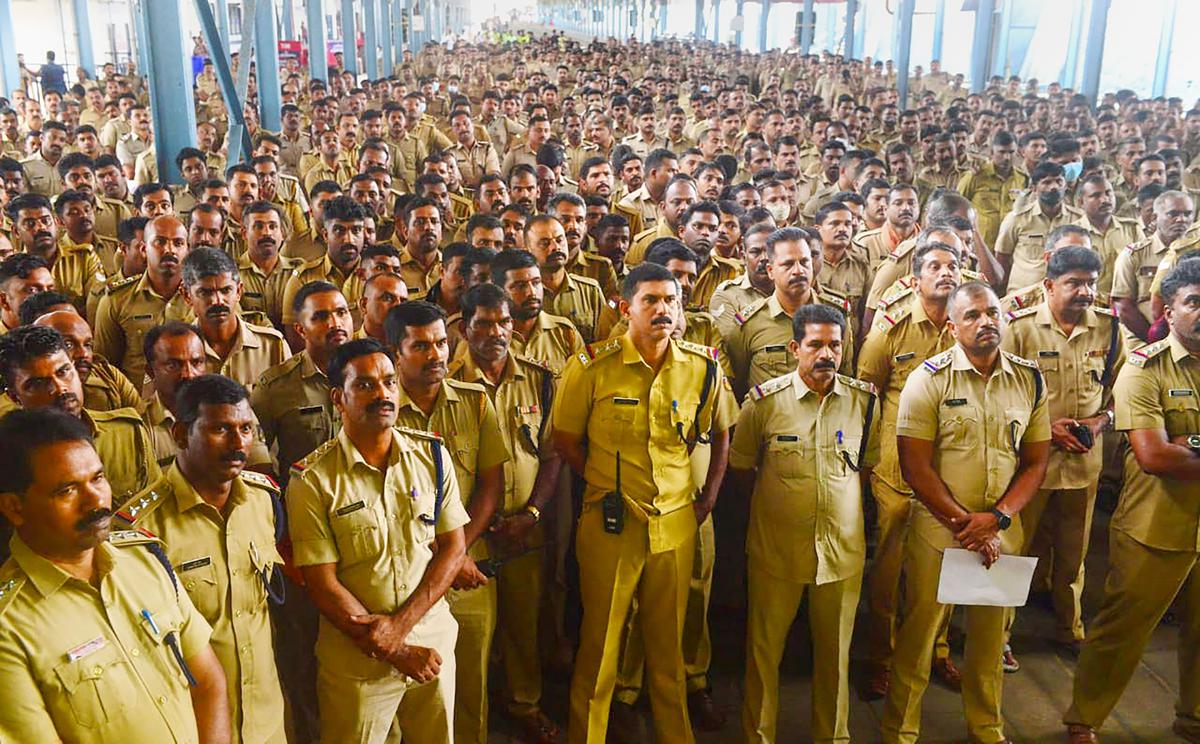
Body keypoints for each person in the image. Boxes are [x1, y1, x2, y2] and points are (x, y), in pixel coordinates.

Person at [552, 262, 731, 743]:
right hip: (612, 526)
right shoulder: (591, 365)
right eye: (649, 300)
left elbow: (717, 432)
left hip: (675, 526)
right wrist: (606, 483)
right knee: (601, 648)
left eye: (670, 300)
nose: (662, 309)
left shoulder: (702, 366)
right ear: (625, 307)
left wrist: (704, 498)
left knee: (668, 652)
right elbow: (566, 441)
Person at [881, 282, 1050, 744]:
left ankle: (987, 728)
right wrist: (965, 522)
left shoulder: (1029, 378)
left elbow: (1036, 460)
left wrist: (996, 519)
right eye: (972, 316)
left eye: (992, 313)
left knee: (991, 640)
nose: (985, 322)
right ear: (953, 327)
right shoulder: (929, 379)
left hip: (1000, 530)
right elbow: (914, 465)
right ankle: (900, 731)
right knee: (919, 637)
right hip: (941, 531)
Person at [0, 407, 231, 742]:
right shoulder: (9, 627)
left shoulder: (146, 560)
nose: (95, 500)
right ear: (15, 508)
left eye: (97, 478)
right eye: (66, 490)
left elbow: (207, 682)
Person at [285, 337, 469, 743]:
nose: (382, 394)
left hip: (431, 647)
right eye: (365, 385)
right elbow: (322, 584)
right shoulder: (312, 481)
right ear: (339, 397)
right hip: (358, 664)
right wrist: (396, 651)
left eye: (388, 382)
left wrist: (401, 630)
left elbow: (453, 548)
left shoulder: (433, 457)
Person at [729, 303, 880, 742]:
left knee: (835, 660)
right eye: (815, 344)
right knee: (763, 656)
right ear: (796, 348)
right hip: (776, 552)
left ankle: (833, 738)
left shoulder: (864, 403)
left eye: (835, 344)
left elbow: (864, 470)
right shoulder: (763, 403)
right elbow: (742, 472)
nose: (826, 354)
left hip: (840, 555)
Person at [1064, 259, 1200, 743]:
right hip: (1154, 527)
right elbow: (1155, 455)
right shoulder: (1144, 369)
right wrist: (1178, 447)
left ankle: (1193, 718)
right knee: (1121, 632)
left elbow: (1177, 449)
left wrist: (1190, 444)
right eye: (1193, 302)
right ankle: (1084, 719)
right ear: (1168, 308)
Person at [116, 374, 287, 744]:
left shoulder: (264, 501)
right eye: (220, 429)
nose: (238, 443)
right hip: (194, 725)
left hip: (266, 718)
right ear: (180, 435)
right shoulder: (139, 532)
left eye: (246, 428)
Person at [447, 282, 565, 743]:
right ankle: (464, 719)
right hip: (465, 537)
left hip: (523, 527)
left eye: (504, 322)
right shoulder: (448, 380)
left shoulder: (538, 377)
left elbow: (552, 453)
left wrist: (533, 513)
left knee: (523, 625)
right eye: (484, 323)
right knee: (469, 637)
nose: (496, 332)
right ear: (464, 327)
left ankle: (524, 704)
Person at [1001, 246, 1123, 660]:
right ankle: (999, 636)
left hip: (1083, 464)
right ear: (1049, 286)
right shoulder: (1019, 329)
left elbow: (1123, 391)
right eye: (1073, 283)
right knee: (1015, 549)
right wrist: (1043, 430)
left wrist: (1099, 422)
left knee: (1074, 553)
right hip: (1031, 463)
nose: (1084, 292)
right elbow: (1000, 393)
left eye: (1090, 283)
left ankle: (1069, 628)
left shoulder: (1109, 329)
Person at [855, 240, 965, 698]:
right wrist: (862, 464)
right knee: (890, 568)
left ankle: (936, 650)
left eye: (952, 266)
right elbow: (865, 393)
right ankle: (882, 656)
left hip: (951, 465)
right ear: (915, 278)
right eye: (934, 267)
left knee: (946, 564)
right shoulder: (892, 329)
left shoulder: (968, 327)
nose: (945, 273)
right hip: (897, 469)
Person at [0, 324, 160, 504]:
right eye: (38, 383)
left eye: (63, 372)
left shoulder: (127, 434)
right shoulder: (8, 458)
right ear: (15, 397)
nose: (60, 388)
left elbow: (157, 510)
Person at [724, 227, 854, 398]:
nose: (799, 270)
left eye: (805, 262)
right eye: (788, 264)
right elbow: (738, 385)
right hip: (774, 420)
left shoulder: (836, 313)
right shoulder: (749, 324)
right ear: (770, 271)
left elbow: (845, 374)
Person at [180, 247, 289, 390]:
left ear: (238, 291)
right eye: (205, 292)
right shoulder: (178, 352)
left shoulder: (272, 347)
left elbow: (291, 406)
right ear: (187, 295)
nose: (218, 301)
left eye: (226, 290)